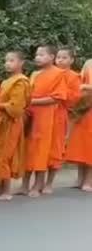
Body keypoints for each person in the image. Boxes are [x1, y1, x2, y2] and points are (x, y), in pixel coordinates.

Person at [20, 45, 67, 198]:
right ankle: (24, 184)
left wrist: (32, 101)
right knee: (28, 149)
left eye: (41, 55)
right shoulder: (34, 74)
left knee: (42, 149)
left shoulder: (59, 74)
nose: (37, 57)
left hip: (47, 116)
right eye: (36, 55)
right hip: (31, 115)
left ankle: (38, 184)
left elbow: (57, 97)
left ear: (52, 57)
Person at [0, 51, 30, 201]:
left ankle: (6, 190)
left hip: (10, 122)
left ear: (21, 63)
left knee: (5, 154)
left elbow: (16, 106)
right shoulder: (6, 82)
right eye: (6, 61)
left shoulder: (21, 81)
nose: (8, 63)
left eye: (12, 61)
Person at [43, 48, 81, 194]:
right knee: (41, 148)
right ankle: (38, 181)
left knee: (55, 148)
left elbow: (74, 97)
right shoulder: (49, 74)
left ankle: (49, 183)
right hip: (44, 114)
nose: (60, 60)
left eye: (64, 57)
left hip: (59, 114)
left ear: (71, 60)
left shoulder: (73, 77)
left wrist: (62, 95)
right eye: (58, 57)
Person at [65, 59, 92, 191]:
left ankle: (89, 180)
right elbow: (79, 81)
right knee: (81, 144)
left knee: (90, 145)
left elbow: (84, 86)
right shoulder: (88, 63)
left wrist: (86, 87)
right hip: (84, 107)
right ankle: (80, 178)